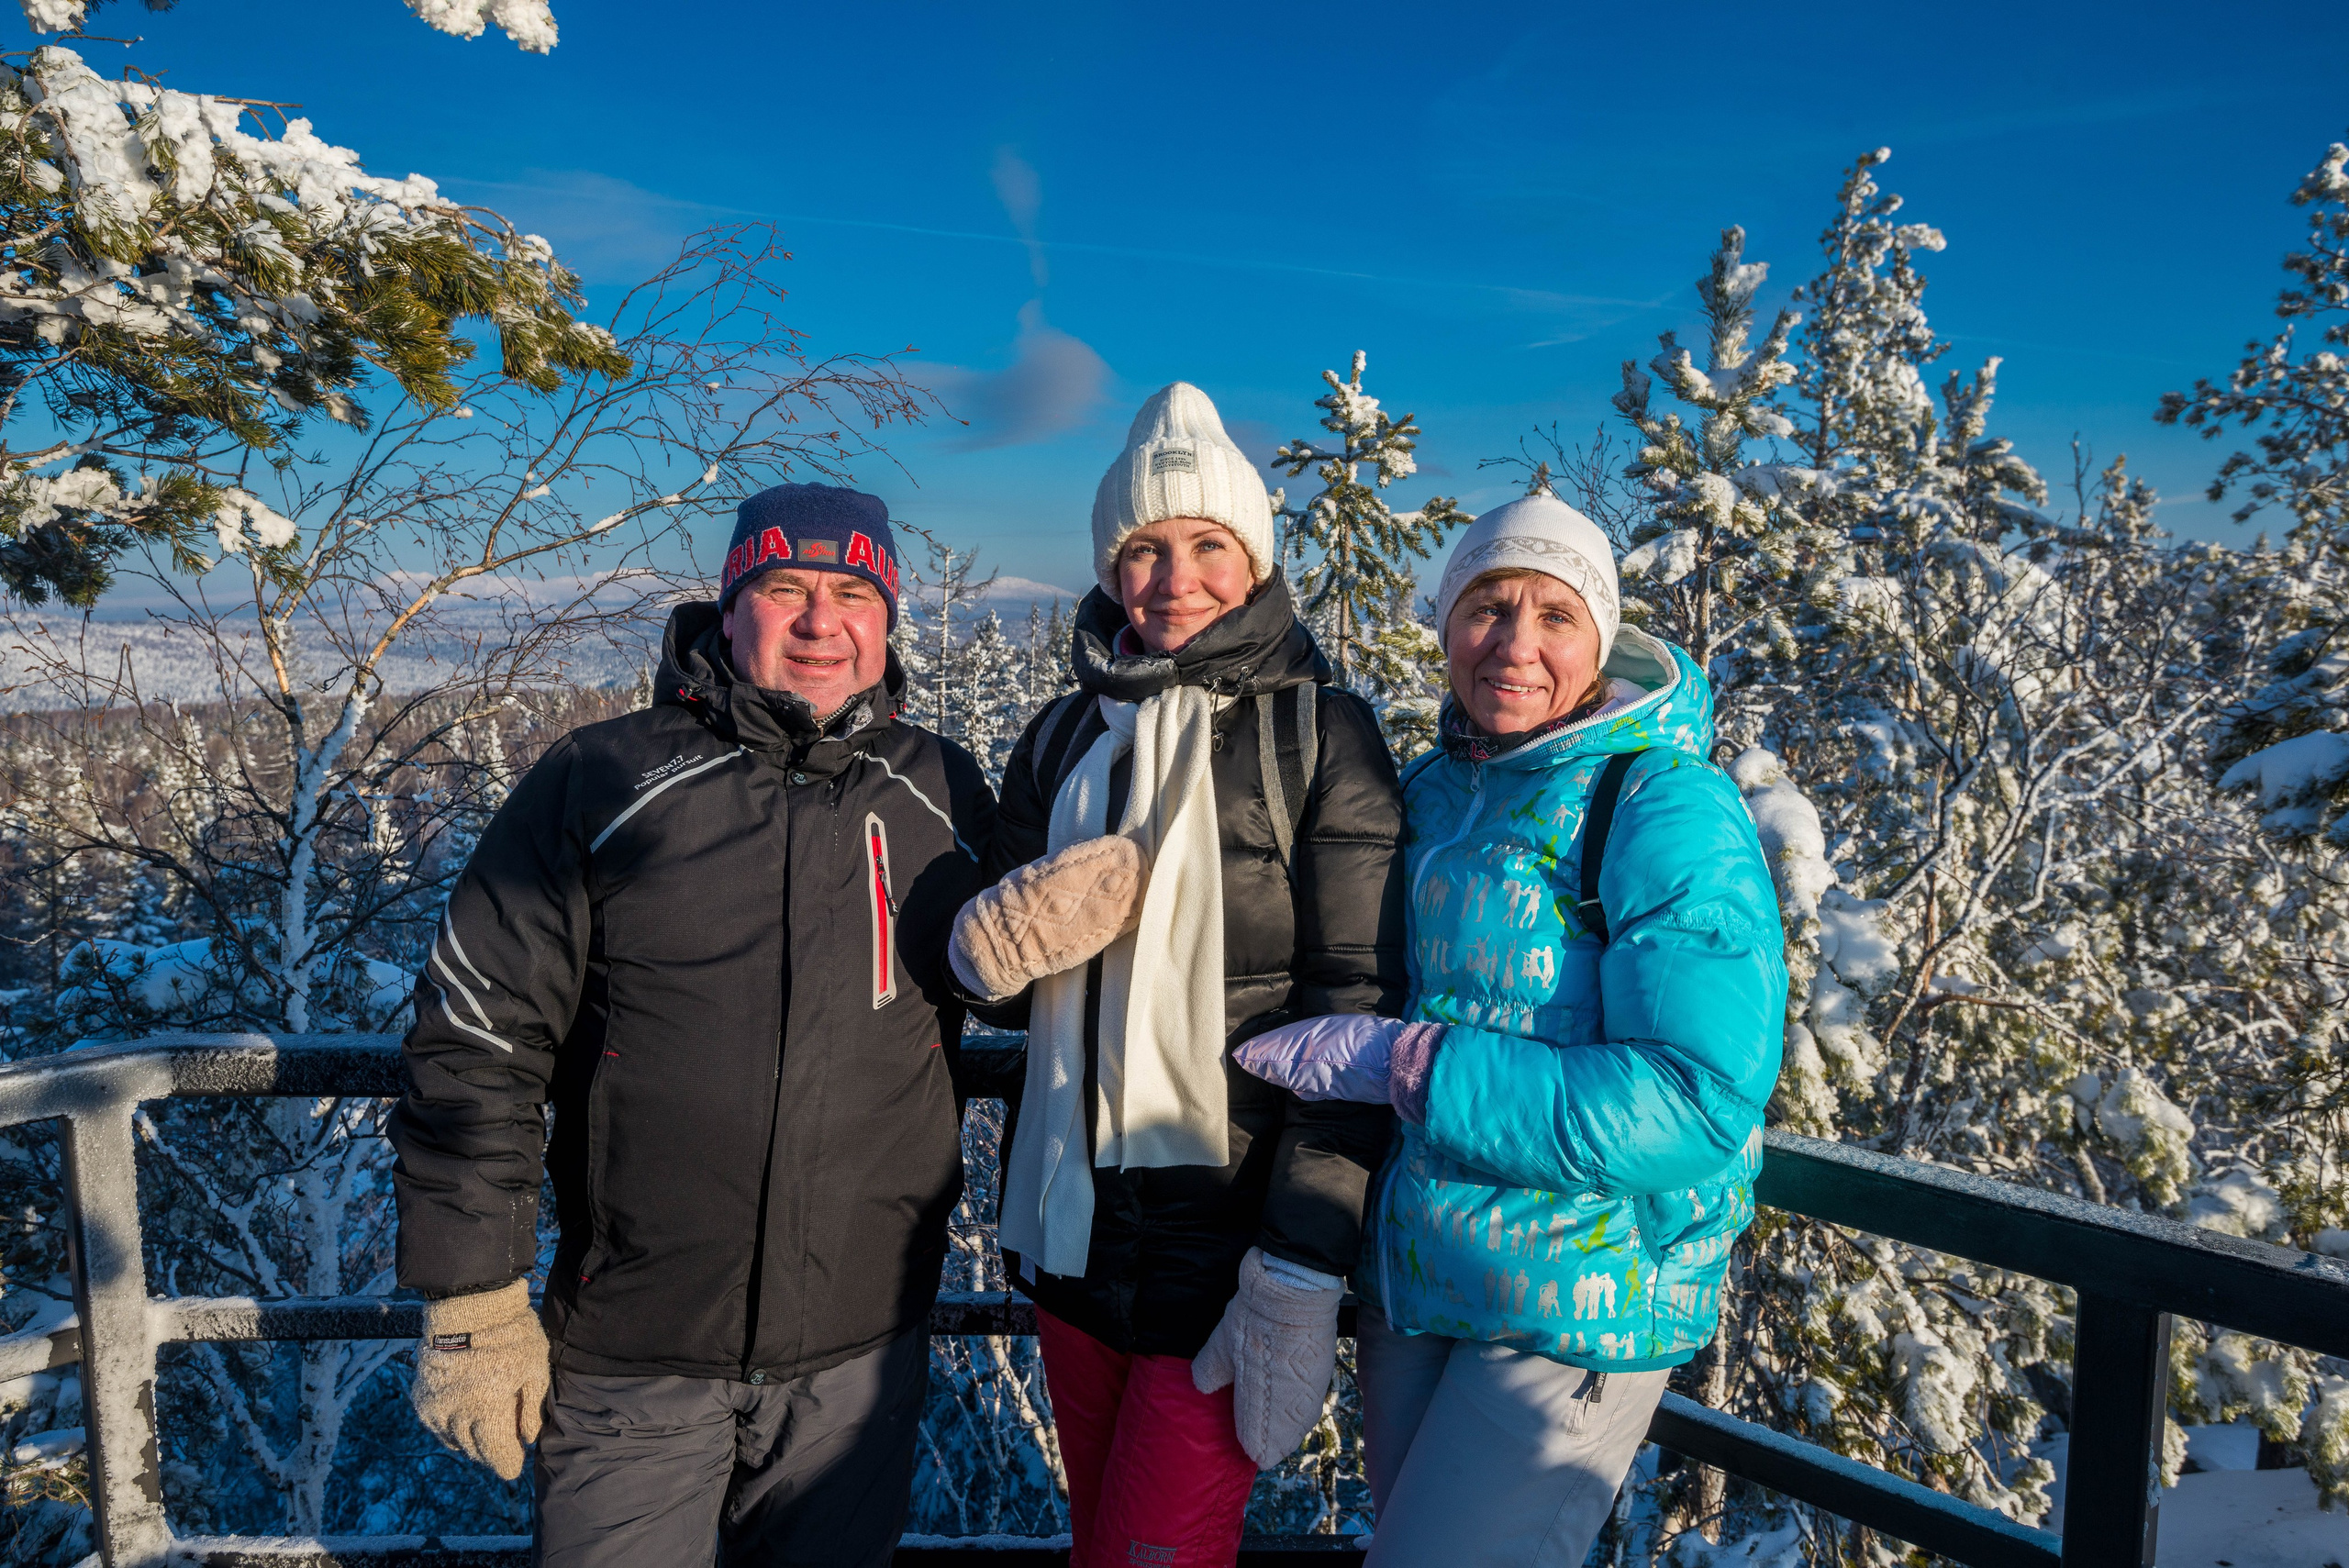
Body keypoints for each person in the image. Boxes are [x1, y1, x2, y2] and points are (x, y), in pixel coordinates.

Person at [387, 484, 997, 1568]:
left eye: (854, 591)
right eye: (785, 588)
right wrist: (473, 1288)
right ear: (728, 609)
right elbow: (479, 1029)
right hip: (636, 1348)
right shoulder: (605, 776)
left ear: (888, 617)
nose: (821, 620)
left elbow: (1013, 980)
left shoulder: (941, 789)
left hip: (859, 1357)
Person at [1236, 491, 1787, 1565]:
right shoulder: (1438, 788)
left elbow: (1695, 1097)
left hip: (1585, 1293)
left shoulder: (1661, 802)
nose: (1515, 645)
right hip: (1420, 1280)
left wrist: (1409, 1063)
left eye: (1555, 614)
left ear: (1601, 635)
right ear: (1444, 624)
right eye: (1487, 607)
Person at [947, 383, 1407, 1568]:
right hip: (1074, 1243)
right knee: (1099, 1540)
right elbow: (992, 986)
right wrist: (988, 944)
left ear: (1252, 558)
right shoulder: (1061, 738)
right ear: (1111, 566)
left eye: (1207, 544)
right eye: (1146, 549)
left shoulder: (1321, 733)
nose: (1175, 576)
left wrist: (1301, 1267)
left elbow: (1354, 1015)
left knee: (1155, 1549)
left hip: (1231, 1256)